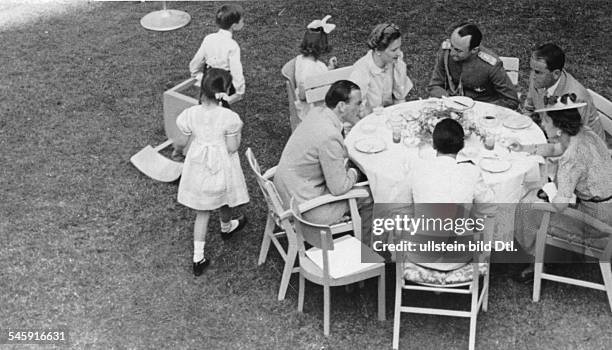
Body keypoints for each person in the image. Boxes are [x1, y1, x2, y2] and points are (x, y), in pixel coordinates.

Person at [512, 99, 612, 281]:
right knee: (541, 191)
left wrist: (543, 198)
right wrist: (525, 149)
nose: (542, 124)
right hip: (605, 203)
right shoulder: (584, 133)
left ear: (558, 128)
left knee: (524, 206)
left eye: (545, 121)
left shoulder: (571, 158)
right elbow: (556, 148)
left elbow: (560, 205)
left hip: (599, 224)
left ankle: (538, 258)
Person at [175, 69, 249, 276]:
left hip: (199, 165)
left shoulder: (191, 113)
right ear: (224, 91)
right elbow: (233, 147)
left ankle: (199, 255)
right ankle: (226, 227)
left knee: (203, 210)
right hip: (221, 164)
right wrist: (237, 131)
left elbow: (181, 140)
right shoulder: (229, 117)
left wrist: (179, 150)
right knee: (223, 196)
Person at [403, 118, 496, 271]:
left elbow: (402, 205)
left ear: (433, 145)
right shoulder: (471, 171)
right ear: (462, 145)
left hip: (418, 253)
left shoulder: (417, 168)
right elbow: (489, 207)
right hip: (459, 257)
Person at [274, 80, 368, 227]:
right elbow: (339, 188)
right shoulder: (329, 135)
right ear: (341, 106)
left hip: (287, 192)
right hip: (306, 208)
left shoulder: (317, 112)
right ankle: (372, 240)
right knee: (371, 191)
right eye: (358, 103)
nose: (361, 108)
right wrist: (355, 172)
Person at [427, 23, 519, 109]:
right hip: (451, 107)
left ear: (474, 50)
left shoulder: (490, 66)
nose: (452, 53)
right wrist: (448, 101)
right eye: (451, 45)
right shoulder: (446, 52)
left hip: (481, 111)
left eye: (458, 51)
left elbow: (511, 100)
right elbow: (435, 85)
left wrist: (480, 109)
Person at [523, 43, 605, 139]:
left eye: (537, 72)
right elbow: (529, 109)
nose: (532, 75)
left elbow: (575, 141)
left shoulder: (576, 98)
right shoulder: (537, 80)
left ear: (556, 74)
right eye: (531, 69)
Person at [349, 22, 413, 115]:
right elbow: (354, 111)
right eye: (394, 50)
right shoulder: (362, 70)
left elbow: (400, 97)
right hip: (367, 121)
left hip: (389, 116)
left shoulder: (395, 62)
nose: (399, 53)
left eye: (399, 47)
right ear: (378, 50)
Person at [189, 4, 245, 106]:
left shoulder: (209, 38)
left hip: (208, 75)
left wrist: (195, 73)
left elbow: (198, 59)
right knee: (222, 105)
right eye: (242, 21)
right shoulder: (232, 46)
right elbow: (236, 70)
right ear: (234, 25)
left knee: (206, 101)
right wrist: (239, 91)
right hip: (224, 79)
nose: (243, 23)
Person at [294, 15, 338, 121]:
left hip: (316, 103)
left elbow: (319, 77)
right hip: (311, 111)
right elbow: (303, 95)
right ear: (321, 47)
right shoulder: (308, 68)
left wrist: (329, 69)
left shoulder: (303, 59)